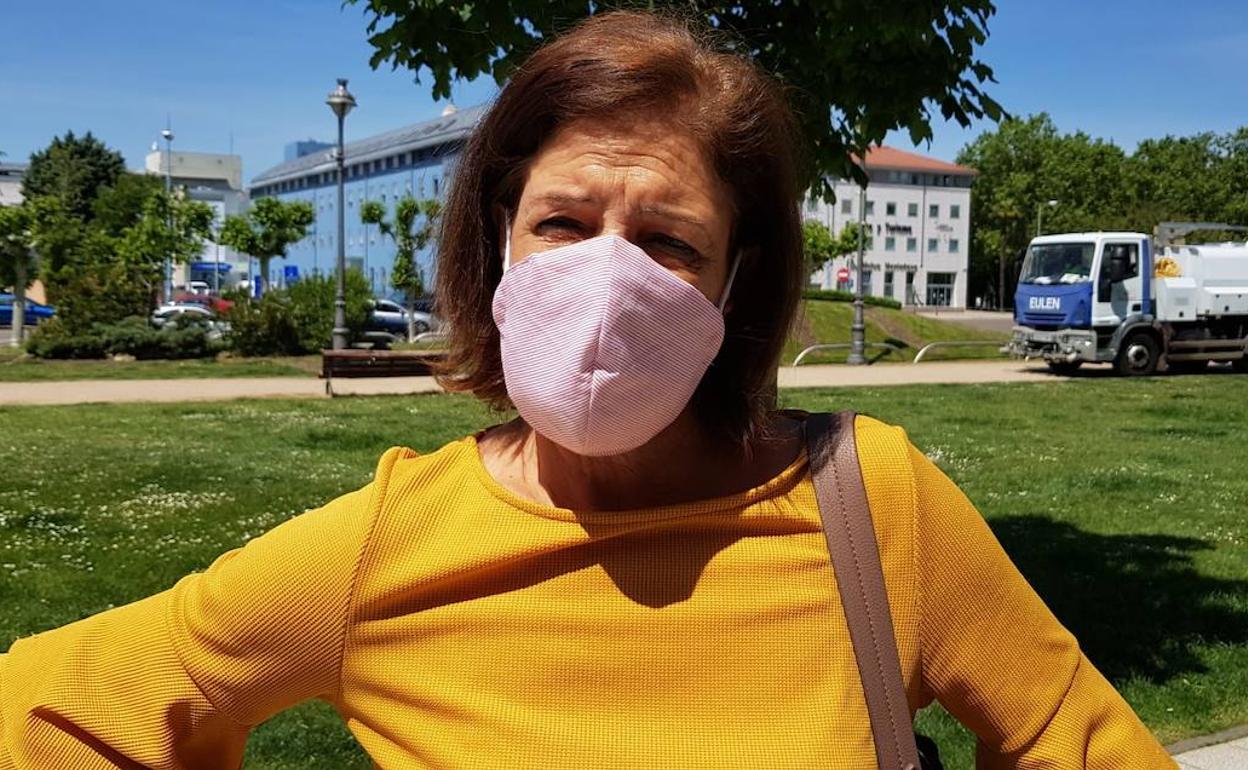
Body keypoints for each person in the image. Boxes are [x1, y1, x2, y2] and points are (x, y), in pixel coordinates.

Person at [0, 11, 1176, 769]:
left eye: (665, 239)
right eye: (563, 221)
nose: (606, 279)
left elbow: (1089, 745)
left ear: (735, 283)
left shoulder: (875, 506)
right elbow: (52, 708)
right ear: (497, 244)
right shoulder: (383, 548)